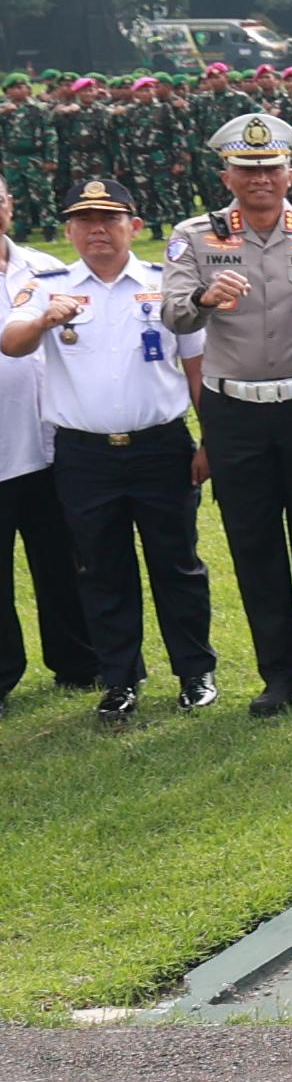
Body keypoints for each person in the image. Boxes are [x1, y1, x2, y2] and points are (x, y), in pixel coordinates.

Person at [162, 111, 292, 716]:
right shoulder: (195, 237)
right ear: (227, 175)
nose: (260, 179)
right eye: (247, 169)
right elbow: (172, 312)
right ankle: (278, 674)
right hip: (235, 410)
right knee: (254, 542)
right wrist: (202, 297)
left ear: (290, 172)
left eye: (270, 168)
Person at [0, 176, 216, 722]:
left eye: (110, 220)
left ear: (134, 227)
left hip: (161, 446)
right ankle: (119, 680)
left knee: (178, 564)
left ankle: (195, 672)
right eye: (84, 221)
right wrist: (48, 316)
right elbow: (13, 341)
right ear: (69, 231)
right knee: (101, 570)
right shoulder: (49, 287)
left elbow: (197, 367)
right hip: (85, 455)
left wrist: (210, 437)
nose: (97, 230)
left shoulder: (165, 285)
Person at [0, 182, 97, 707]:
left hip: (49, 441)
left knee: (63, 562)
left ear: (11, 206)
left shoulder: (47, 268)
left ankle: (78, 660)